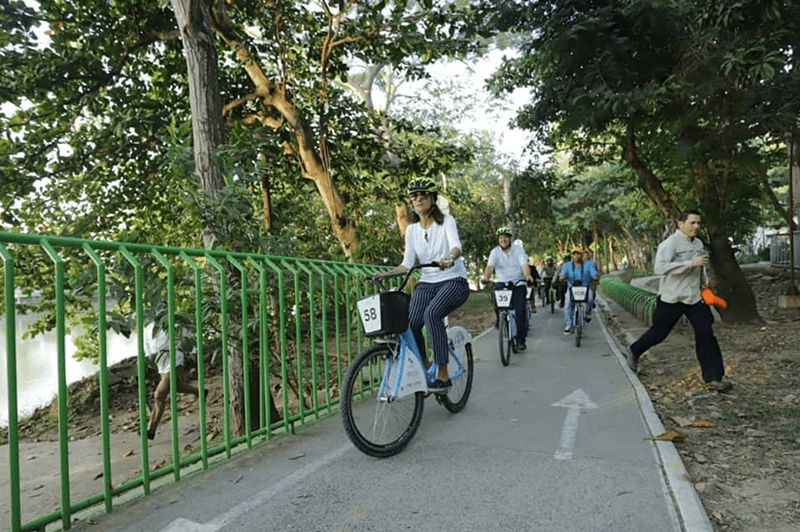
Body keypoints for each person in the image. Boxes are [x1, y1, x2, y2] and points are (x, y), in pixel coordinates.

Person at [374, 178, 470, 391]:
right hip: (427, 283)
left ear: (432, 199)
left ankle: (443, 376)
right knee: (410, 323)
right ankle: (425, 367)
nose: (417, 199)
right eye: (414, 196)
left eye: (423, 195)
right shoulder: (411, 230)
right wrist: (383, 274)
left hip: (453, 280)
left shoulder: (447, 221)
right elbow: (407, 264)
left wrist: (449, 257)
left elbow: (456, 247)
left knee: (432, 314)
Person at [626, 209, 732, 392]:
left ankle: (714, 378)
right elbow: (659, 268)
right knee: (659, 333)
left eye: (699, 223)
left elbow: (701, 267)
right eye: (692, 223)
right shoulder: (669, 244)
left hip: (694, 298)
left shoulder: (698, 243)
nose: (697, 226)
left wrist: (704, 283)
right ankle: (635, 351)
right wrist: (689, 263)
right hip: (671, 298)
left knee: (706, 334)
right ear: (680, 223)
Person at [144, 321, 202, 440]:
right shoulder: (148, 328)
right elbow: (147, 345)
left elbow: (188, 336)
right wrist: (150, 360)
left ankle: (151, 428)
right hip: (161, 361)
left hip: (175, 359)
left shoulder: (175, 323)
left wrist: (193, 352)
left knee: (159, 395)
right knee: (177, 386)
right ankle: (199, 392)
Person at [481, 226, 535, 350]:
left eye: (505, 237)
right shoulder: (494, 252)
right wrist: (486, 278)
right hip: (502, 283)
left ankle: (521, 340)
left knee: (520, 311)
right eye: (500, 238)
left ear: (510, 238)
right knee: (495, 298)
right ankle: (500, 319)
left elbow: (524, 265)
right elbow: (490, 267)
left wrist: (527, 276)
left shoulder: (519, 250)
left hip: (518, 283)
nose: (503, 240)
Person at [558, 247, 599, 334]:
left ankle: (587, 313)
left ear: (582, 255)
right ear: (571, 256)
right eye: (574, 254)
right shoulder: (567, 265)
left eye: (578, 254)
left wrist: (595, 277)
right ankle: (569, 325)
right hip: (571, 289)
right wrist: (562, 278)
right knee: (568, 304)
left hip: (585, 288)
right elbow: (562, 275)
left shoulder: (588, 264)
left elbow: (594, 274)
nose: (576, 256)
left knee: (591, 298)